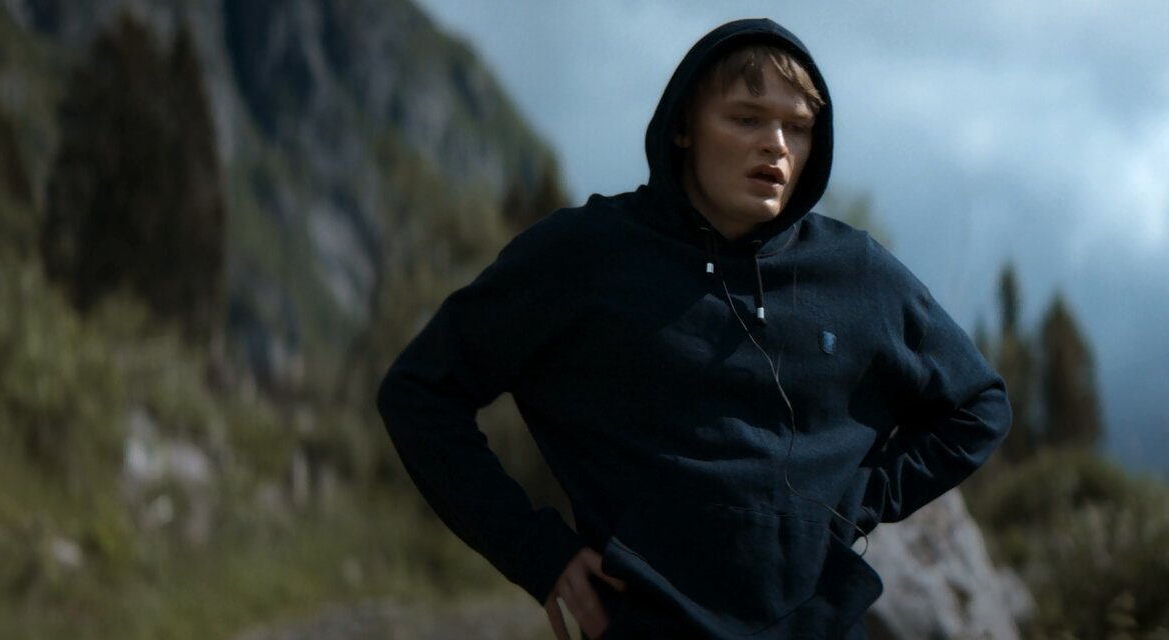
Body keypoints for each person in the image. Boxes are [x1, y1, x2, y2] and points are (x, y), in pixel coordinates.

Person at [377, 17, 1011, 639]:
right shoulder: (585, 256)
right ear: (683, 127)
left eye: (797, 127)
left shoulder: (856, 273)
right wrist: (536, 551)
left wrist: (860, 498)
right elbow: (421, 392)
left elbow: (979, 403)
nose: (776, 145)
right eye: (746, 118)